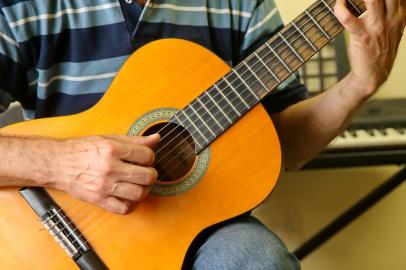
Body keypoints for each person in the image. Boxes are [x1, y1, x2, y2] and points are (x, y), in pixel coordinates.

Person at [0, 0, 404, 269]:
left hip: (203, 226)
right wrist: (61, 164)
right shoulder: (22, 7)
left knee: (257, 260)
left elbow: (281, 148)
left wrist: (361, 84)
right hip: (45, 225)